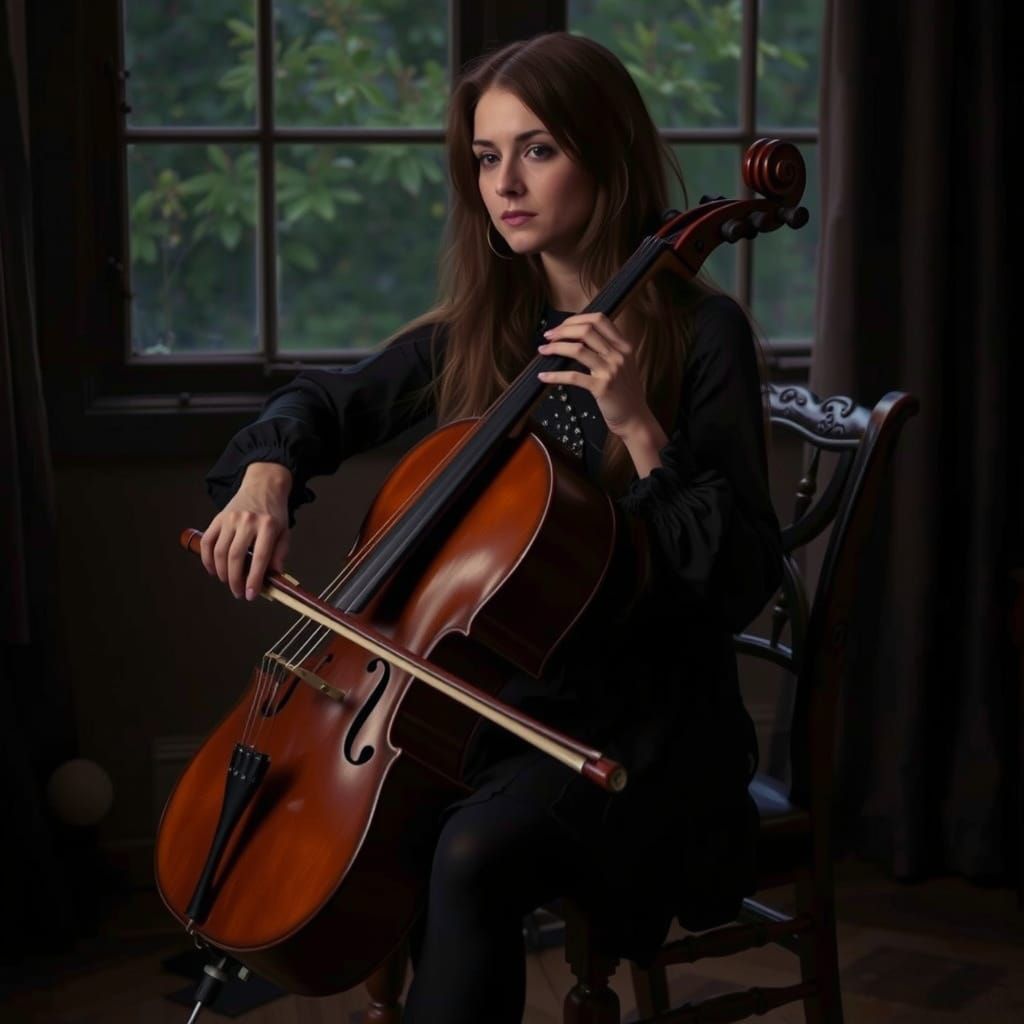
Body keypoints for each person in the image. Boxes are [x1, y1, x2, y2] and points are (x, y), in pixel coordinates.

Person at [203, 31, 782, 1024]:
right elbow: (326, 405)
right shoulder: (488, 328)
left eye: (537, 149)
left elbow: (732, 578)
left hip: (642, 733)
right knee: (417, 827)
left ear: (604, 154)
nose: (502, 182)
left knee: (468, 850)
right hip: (499, 712)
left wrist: (639, 423)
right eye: (484, 156)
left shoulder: (701, 334)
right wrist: (264, 470)